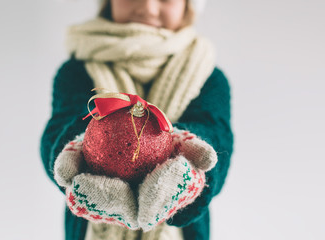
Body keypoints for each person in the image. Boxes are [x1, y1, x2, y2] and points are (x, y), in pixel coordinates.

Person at [40, 0, 234, 239]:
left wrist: (185, 155)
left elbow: (217, 135)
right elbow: (58, 129)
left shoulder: (208, 77)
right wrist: (81, 147)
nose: (148, 8)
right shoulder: (76, 72)